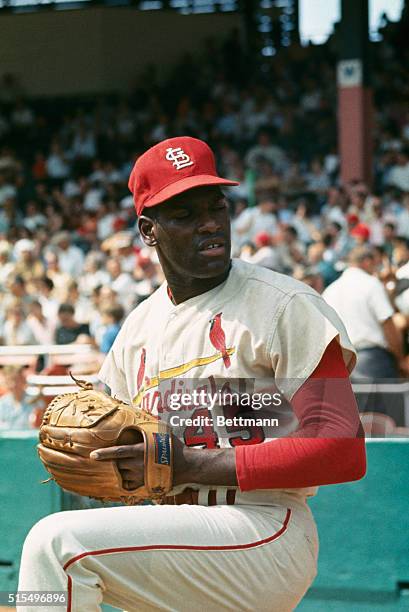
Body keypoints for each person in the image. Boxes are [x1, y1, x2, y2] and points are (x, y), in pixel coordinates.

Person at [19, 137, 366, 612]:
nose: (209, 224)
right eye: (184, 215)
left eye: (216, 207)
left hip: (262, 526)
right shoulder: (137, 329)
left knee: (55, 546)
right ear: (149, 230)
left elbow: (341, 449)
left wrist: (190, 465)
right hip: (175, 533)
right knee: (37, 592)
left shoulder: (283, 305)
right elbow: (106, 440)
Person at [323, 246, 403, 379]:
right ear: (367, 261)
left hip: (340, 364)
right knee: (386, 400)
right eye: (375, 264)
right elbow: (387, 324)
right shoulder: (371, 284)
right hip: (374, 361)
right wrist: (400, 359)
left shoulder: (330, 291)